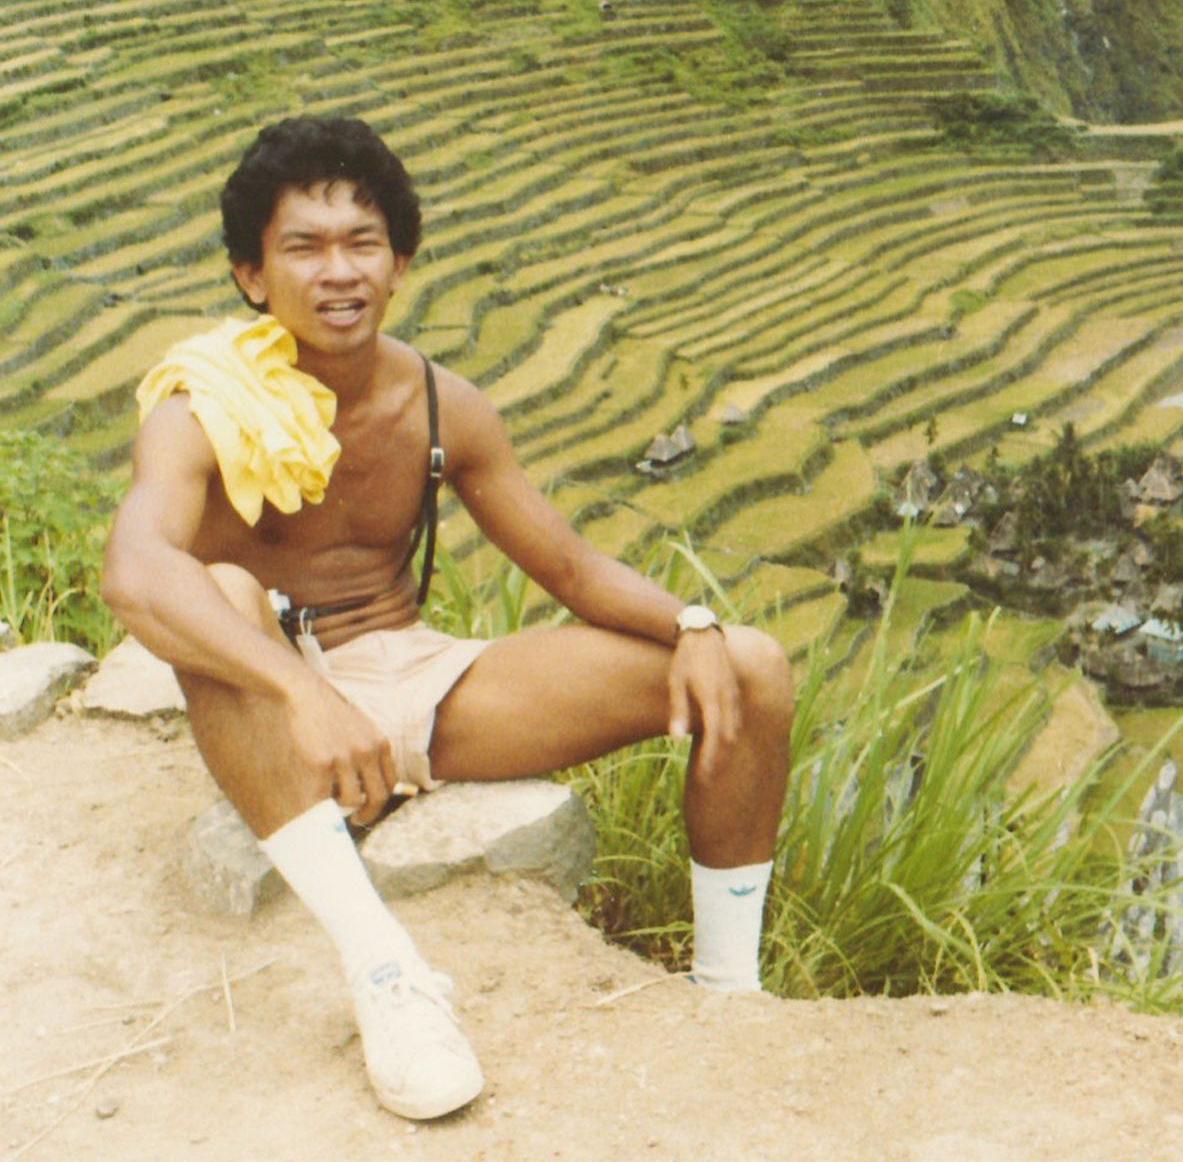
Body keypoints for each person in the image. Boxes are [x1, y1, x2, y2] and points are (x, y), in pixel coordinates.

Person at [101, 116, 794, 1122]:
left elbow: (570, 567)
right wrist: (301, 693)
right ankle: (387, 976)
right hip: (274, 702)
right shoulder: (202, 408)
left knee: (753, 664)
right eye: (304, 248)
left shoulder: (442, 405)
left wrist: (691, 624)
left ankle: (729, 990)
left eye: (363, 243)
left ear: (400, 264)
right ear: (252, 275)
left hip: (419, 685)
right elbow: (134, 574)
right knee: (222, 592)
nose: (339, 272)